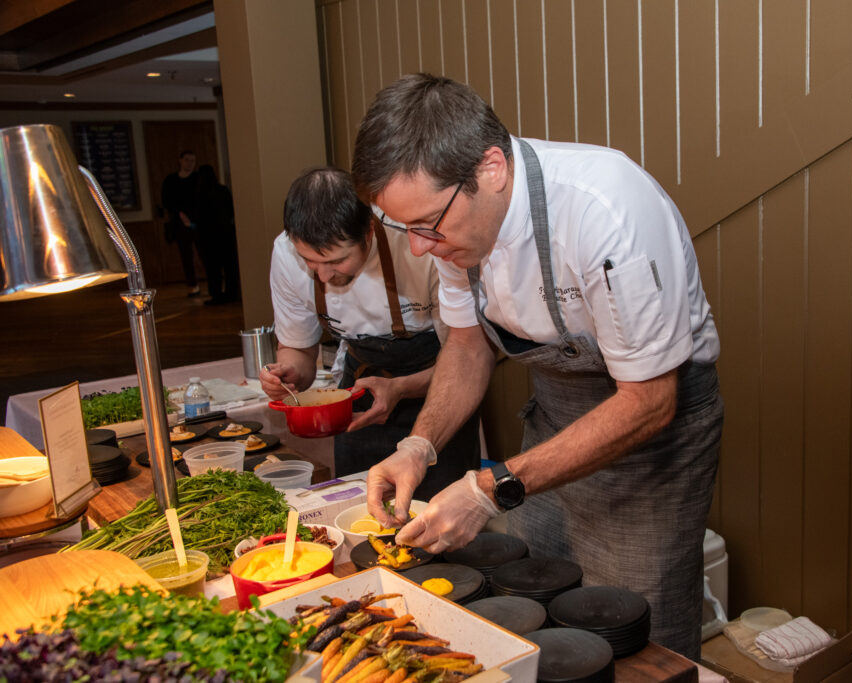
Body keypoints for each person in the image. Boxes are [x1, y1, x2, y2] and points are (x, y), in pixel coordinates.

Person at [351, 73, 723, 658]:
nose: (418, 248)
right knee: (531, 613)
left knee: (633, 638)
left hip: (652, 442)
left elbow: (649, 402)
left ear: (491, 168)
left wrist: (490, 489)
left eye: (427, 226)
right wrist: (418, 446)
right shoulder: (454, 227)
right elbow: (469, 346)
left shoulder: (606, 209)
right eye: (404, 230)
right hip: (553, 421)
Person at [260, 166, 480, 498]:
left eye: (335, 262)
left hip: (439, 389)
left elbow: (466, 357)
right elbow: (299, 351)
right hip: (360, 398)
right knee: (360, 512)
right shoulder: (287, 254)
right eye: (310, 261)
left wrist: (400, 388)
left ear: (368, 234)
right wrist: (289, 375)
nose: (322, 276)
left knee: (439, 519)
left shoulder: (416, 244)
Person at [193, 164, 241, 305]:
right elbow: (232, 211)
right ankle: (231, 293)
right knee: (230, 267)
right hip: (226, 235)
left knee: (213, 269)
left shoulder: (198, 194)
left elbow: (196, 216)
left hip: (207, 238)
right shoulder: (223, 191)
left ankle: (216, 295)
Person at [160, 150, 202, 296]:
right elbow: (167, 200)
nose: (190, 163)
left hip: (198, 223)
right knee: (186, 256)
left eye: (192, 160)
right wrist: (180, 214)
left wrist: (193, 218)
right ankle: (193, 286)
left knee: (203, 253)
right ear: (180, 161)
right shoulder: (171, 180)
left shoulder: (198, 179)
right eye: (187, 160)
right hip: (179, 224)